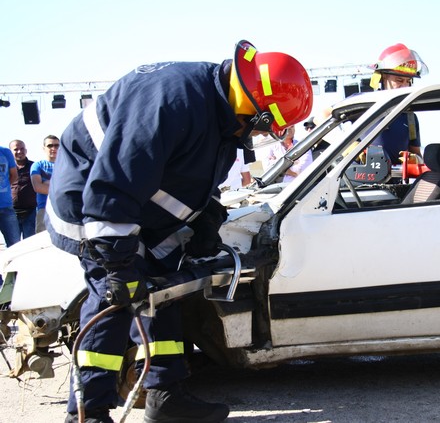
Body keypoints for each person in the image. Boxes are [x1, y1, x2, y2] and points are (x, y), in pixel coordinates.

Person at [45, 39, 312, 423]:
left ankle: (165, 396)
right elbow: (115, 181)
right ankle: (88, 412)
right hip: (96, 207)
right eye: (264, 125)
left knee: (163, 290)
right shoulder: (171, 101)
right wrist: (118, 265)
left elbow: (187, 174)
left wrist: (205, 213)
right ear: (254, 106)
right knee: (115, 300)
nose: (258, 134)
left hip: (140, 209)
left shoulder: (221, 110)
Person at [369, 43, 428, 165]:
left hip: (395, 183)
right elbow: (323, 116)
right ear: (383, 77)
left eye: (408, 81)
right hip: (357, 183)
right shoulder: (364, 105)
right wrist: (348, 148)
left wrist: (415, 159)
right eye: (399, 80)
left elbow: (417, 155)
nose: (405, 86)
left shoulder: (409, 117)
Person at [9, 139, 37, 239]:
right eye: (16, 149)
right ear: (10, 152)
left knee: (30, 243)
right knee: (13, 244)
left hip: (31, 212)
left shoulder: (34, 167)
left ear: (26, 150)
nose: (19, 152)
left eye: (22, 149)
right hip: (11, 212)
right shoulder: (6, 168)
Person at [31, 134, 59, 233]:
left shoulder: (67, 164)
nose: (53, 148)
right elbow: (38, 187)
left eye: (56, 145)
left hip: (63, 208)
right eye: (50, 145)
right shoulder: (37, 165)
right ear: (44, 148)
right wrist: (60, 188)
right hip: (44, 208)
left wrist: (47, 183)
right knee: (41, 241)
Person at [0, 145, 20, 248]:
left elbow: (14, 175)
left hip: (6, 206)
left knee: (15, 245)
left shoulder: (5, 152)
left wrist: (4, 187)